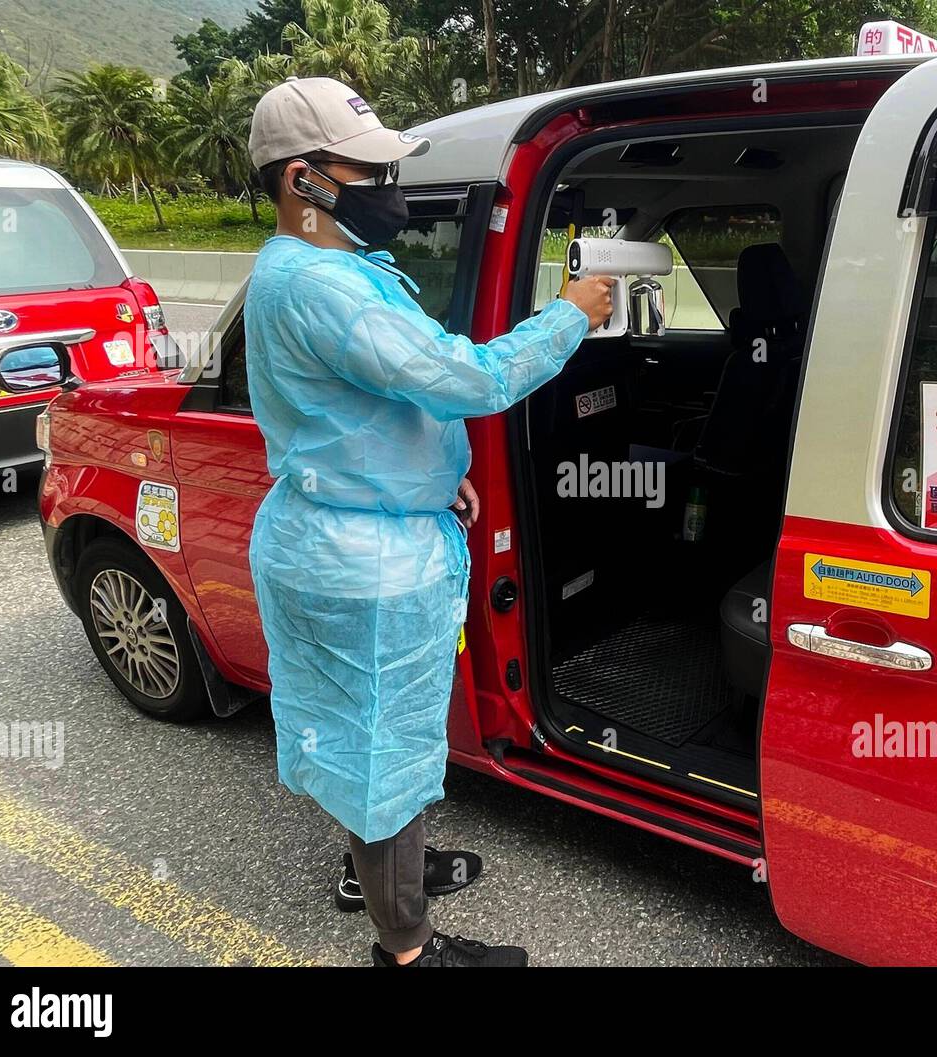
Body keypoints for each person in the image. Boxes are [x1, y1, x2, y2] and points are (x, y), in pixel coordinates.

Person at [244, 76, 614, 967]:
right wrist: (572, 315)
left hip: (353, 529)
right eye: (368, 168)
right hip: (360, 561)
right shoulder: (323, 286)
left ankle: (371, 871)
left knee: (374, 742)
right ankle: (407, 947)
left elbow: (364, 413)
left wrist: (430, 480)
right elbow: (466, 378)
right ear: (306, 179)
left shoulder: (317, 268)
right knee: (380, 755)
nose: (388, 186)